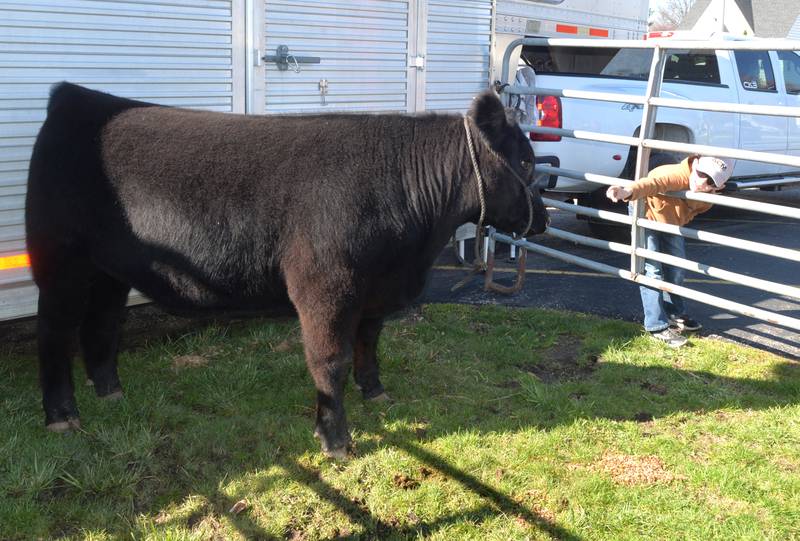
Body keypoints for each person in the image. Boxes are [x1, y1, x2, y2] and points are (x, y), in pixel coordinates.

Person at [606, 155, 733, 348]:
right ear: (695, 165)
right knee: (653, 270)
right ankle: (656, 325)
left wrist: (681, 216)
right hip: (646, 213)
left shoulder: (708, 197)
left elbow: (694, 211)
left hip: (671, 223)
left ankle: (674, 313)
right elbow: (652, 183)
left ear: (719, 187)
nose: (702, 182)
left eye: (711, 182)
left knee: (677, 268)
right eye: (701, 174)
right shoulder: (674, 174)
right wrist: (626, 191)